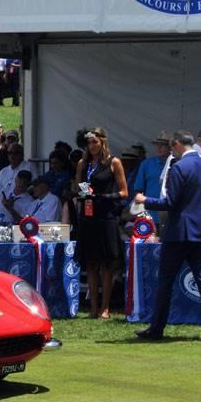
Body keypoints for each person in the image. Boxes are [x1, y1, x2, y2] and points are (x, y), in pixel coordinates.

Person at [135, 131, 201, 342]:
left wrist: (144, 199)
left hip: (178, 233)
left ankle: (156, 329)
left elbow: (170, 202)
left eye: (172, 147)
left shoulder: (179, 167)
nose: (171, 150)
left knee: (165, 281)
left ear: (177, 144)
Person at [75, 127, 128, 320]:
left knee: (107, 264)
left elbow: (124, 192)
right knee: (90, 263)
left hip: (107, 217)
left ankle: (105, 307)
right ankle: (93, 307)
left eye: (95, 142)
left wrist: (104, 197)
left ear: (103, 142)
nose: (92, 146)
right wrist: (84, 196)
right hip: (88, 217)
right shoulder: (83, 163)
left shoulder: (113, 163)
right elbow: (79, 188)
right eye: (89, 142)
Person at [135, 132, 172, 223]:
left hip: (171, 216)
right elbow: (138, 190)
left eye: (163, 145)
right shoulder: (146, 164)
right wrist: (141, 214)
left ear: (171, 147)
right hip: (150, 216)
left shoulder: (178, 165)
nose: (159, 147)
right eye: (157, 145)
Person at [0, 143, 30, 219]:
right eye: (10, 153)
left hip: (20, 204)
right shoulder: (3, 171)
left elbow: (32, 188)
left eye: (16, 153)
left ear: (22, 154)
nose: (12, 155)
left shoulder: (29, 167)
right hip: (0, 206)